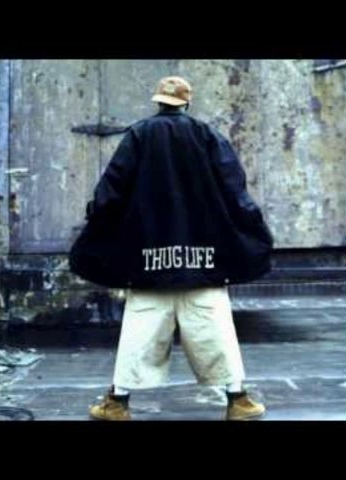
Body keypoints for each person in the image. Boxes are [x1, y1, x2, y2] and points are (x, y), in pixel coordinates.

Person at [69, 76, 273, 420]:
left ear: (159, 101)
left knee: (139, 331)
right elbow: (234, 188)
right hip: (203, 259)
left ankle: (117, 403)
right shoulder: (207, 135)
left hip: (148, 259)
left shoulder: (139, 135)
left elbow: (112, 189)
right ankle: (238, 401)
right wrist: (254, 227)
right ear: (187, 102)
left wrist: (96, 220)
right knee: (215, 329)